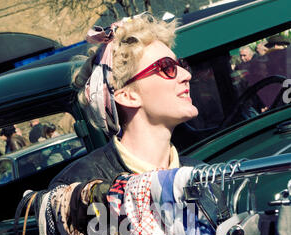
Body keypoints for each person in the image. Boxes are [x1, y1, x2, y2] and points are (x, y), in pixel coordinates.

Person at [49, 13, 198, 190]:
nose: (186, 75)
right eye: (167, 67)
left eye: (181, 65)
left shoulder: (202, 175)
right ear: (127, 95)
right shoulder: (79, 186)